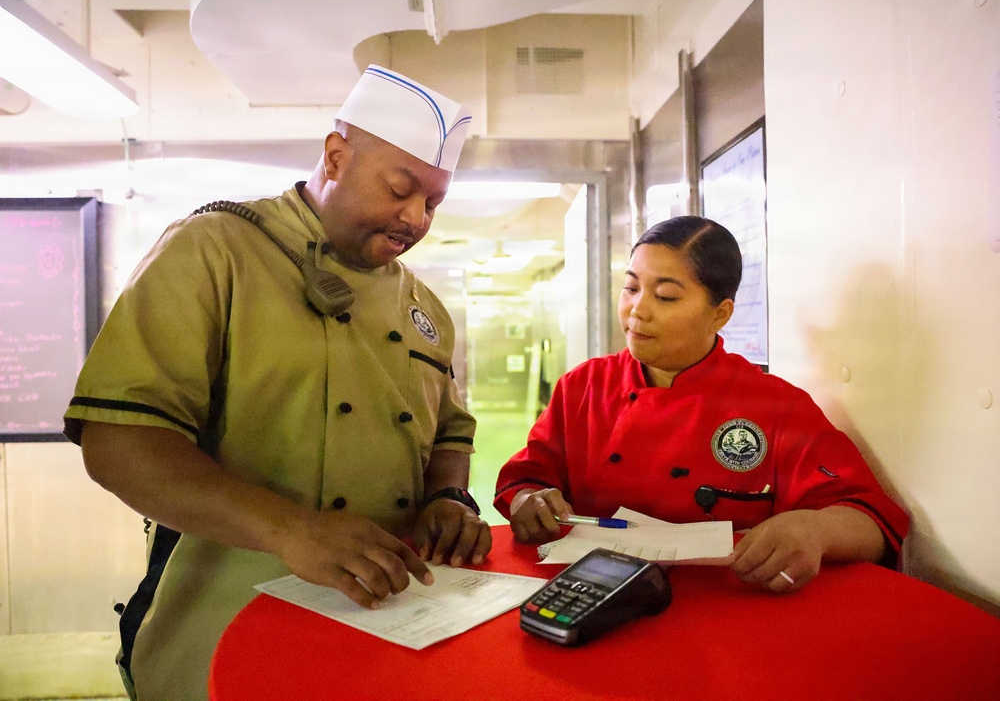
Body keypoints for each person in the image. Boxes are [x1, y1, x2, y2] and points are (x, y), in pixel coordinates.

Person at [64, 65, 491, 701]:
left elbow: (449, 430)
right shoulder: (215, 249)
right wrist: (289, 529)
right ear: (337, 156)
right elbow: (119, 442)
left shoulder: (423, 306)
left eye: (433, 202)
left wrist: (450, 497)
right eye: (400, 189)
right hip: (224, 618)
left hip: (391, 621)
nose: (415, 217)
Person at [494, 216, 908, 593]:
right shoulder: (582, 388)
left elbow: (872, 519)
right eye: (632, 287)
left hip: (726, 614)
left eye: (667, 296)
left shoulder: (775, 405)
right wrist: (528, 500)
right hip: (594, 598)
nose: (637, 310)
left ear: (720, 314)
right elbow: (524, 479)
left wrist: (815, 529)